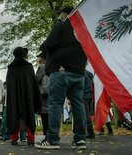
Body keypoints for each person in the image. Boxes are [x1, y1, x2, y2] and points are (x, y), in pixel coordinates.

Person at [34, 7, 87, 150]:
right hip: (78, 72)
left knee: (55, 104)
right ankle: (80, 139)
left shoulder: (61, 25)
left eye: (62, 14)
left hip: (60, 70)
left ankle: (52, 139)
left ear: (66, 14)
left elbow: (48, 44)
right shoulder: (83, 30)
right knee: (78, 105)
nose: (61, 16)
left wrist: (43, 47)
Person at [6, 47, 42, 146]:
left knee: (14, 114)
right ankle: (31, 138)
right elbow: (33, 83)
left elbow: (9, 85)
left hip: (14, 97)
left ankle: (14, 138)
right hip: (27, 95)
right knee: (29, 113)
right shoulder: (28, 66)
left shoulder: (11, 68)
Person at [35, 52, 49, 136]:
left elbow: (36, 79)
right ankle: (53, 135)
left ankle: (46, 135)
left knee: (45, 116)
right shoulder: (54, 66)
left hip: (44, 94)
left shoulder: (42, 67)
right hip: (53, 93)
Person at [83, 70, 95, 138]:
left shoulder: (83, 73)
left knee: (86, 114)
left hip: (84, 95)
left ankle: (90, 132)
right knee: (87, 113)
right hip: (89, 95)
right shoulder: (89, 74)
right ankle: (90, 132)